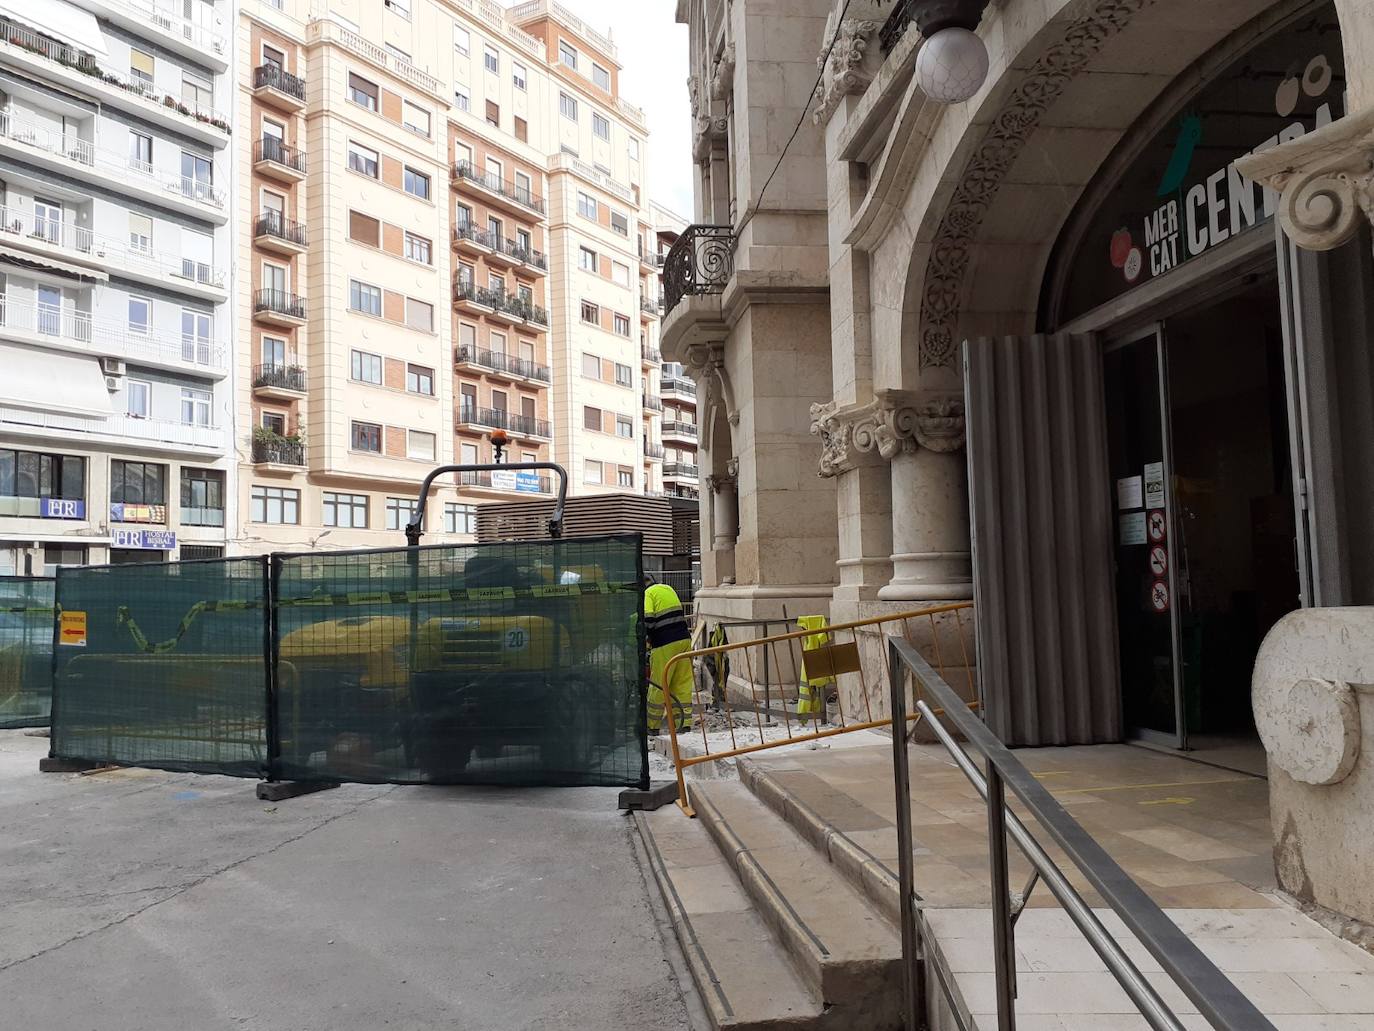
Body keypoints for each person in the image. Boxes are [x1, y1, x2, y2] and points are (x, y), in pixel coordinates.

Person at [643, 575, 693, 735]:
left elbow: (648, 619)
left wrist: (645, 639)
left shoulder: (648, 594)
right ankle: (684, 724)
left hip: (665, 644)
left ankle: (652, 726)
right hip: (685, 640)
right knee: (682, 683)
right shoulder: (668, 588)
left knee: (659, 684)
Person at [796, 615, 834, 721]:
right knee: (811, 689)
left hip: (816, 665)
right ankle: (817, 712)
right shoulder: (813, 640)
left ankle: (816, 712)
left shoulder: (812, 641)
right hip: (816, 667)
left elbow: (824, 639)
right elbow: (824, 638)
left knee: (811, 689)